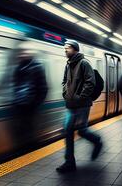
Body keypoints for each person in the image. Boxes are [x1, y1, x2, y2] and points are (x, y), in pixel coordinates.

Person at [56, 40, 102, 173]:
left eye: (68, 48)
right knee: (67, 130)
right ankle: (69, 162)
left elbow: (90, 82)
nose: (65, 50)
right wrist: (65, 93)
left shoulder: (84, 63)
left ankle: (97, 141)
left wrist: (80, 97)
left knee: (81, 130)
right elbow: (65, 81)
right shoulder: (68, 65)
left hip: (82, 105)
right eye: (64, 48)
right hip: (70, 105)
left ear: (75, 49)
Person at [13, 43, 48, 143]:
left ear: (31, 53)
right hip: (19, 104)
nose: (22, 54)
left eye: (25, 51)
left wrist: (35, 104)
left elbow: (43, 88)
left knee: (29, 130)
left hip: (30, 106)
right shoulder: (18, 67)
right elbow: (16, 85)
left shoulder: (38, 67)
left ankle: (30, 149)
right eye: (21, 51)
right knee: (19, 129)